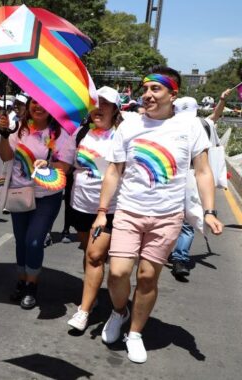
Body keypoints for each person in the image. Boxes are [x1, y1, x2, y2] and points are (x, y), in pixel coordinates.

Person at [94, 66, 223, 363]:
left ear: (173, 94)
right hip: (129, 210)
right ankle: (119, 311)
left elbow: (203, 171)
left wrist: (210, 211)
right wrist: (103, 211)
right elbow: (114, 171)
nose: (148, 94)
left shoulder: (190, 127)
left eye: (156, 89)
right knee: (117, 273)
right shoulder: (129, 125)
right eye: (146, 88)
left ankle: (136, 332)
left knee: (148, 277)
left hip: (167, 216)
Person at [0, 97, 76, 309]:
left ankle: (32, 285)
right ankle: (22, 280)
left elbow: (63, 169)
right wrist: (4, 136)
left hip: (46, 197)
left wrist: (48, 164)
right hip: (20, 193)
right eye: (34, 102)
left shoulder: (62, 135)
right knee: (21, 240)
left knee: (34, 241)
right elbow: (6, 156)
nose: (38, 107)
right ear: (28, 105)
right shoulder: (19, 131)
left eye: (44, 103)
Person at [65, 86, 123, 331]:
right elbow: (67, 164)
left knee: (95, 255)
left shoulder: (120, 136)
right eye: (95, 103)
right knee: (89, 254)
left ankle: (84, 310)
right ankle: (94, 291)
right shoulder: (79, 134)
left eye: (105, 104)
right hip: (79, 205)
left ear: (115, 110)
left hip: (108, 209)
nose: (99, 108)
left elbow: (119, 172)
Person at [168, 90, 229, 279]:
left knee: (168, 217)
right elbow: (216, 116)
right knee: (187, 221)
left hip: (171, 176)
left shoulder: (169, 124)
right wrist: (222, 100)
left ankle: (175, 254)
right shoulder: (203, 123)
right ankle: (179, 258)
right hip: (196, 177)